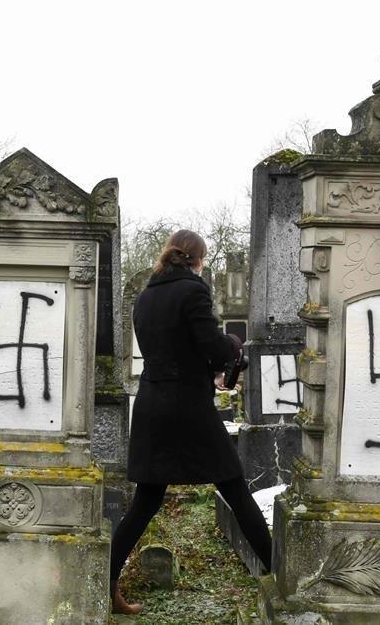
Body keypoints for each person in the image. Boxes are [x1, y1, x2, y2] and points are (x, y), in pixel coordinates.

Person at [110, 229, 273, 615]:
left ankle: (104, 584)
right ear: (198, 259)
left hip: (152, 404)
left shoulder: (146, 296)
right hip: (187, 407)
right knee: (234, 487)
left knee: (146, 501)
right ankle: (280, 574)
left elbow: (173, 347)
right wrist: (232, 346)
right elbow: (212, 346)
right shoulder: (193, 290)